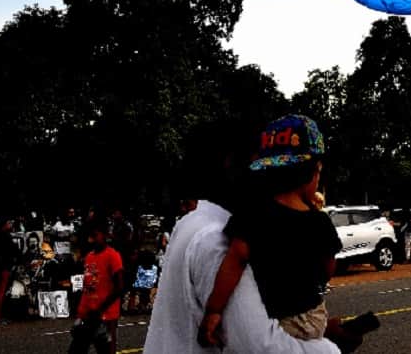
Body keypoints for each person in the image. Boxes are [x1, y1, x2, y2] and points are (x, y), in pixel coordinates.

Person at [144, 121, 355, 354]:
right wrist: (330, 347)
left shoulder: (193, 222)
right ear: (233, 165)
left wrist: (214, 310)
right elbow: (259, 346)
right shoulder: (214, 239)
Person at [199, 115, 342, 345]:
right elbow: (328, 267)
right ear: (312, 173)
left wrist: (214, 310)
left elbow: (234, 261)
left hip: (266, 314)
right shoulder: (320, 222)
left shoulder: (252, 214)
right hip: (311, 318)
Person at [70, 222, 124, 354]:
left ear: (104, 235)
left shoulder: (113, 255)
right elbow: (87, 287)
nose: (92, 239)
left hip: (106, 314)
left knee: (105, 349)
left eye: (95, 235)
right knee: (77, 348)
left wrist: (100, 310)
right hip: (89, 313)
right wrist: (81, 312)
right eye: (90, 236)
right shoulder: (89, 257)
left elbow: (119, 287)